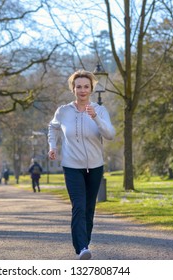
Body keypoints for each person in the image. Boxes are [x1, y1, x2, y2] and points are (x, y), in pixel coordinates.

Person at [48, 69, 115, 260]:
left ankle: (84, 243)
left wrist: (95, 117)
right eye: (79, 87)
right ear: (73, 89)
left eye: (86, 86)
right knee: (78, 206)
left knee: (89, 208)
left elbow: (110, 135)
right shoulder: (63, 111)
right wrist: (52, 146)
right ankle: (82, 248)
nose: (82, 90)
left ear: (91, 89)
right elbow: (52, 127)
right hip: (72, 166)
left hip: (95, 166)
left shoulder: (100, 111)